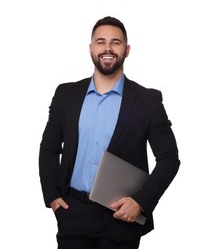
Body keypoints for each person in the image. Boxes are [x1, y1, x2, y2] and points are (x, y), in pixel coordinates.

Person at [39, 16, 180, 249]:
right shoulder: (66, 95)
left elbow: (169, 160)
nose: (107, 48)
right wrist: (53, 198)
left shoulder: (148, 100)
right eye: (100, 41)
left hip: (121, 217)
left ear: (127, 50)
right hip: (72, 214)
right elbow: (50, 148)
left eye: (115, 42)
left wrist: (141, 202)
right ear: (91, 48)